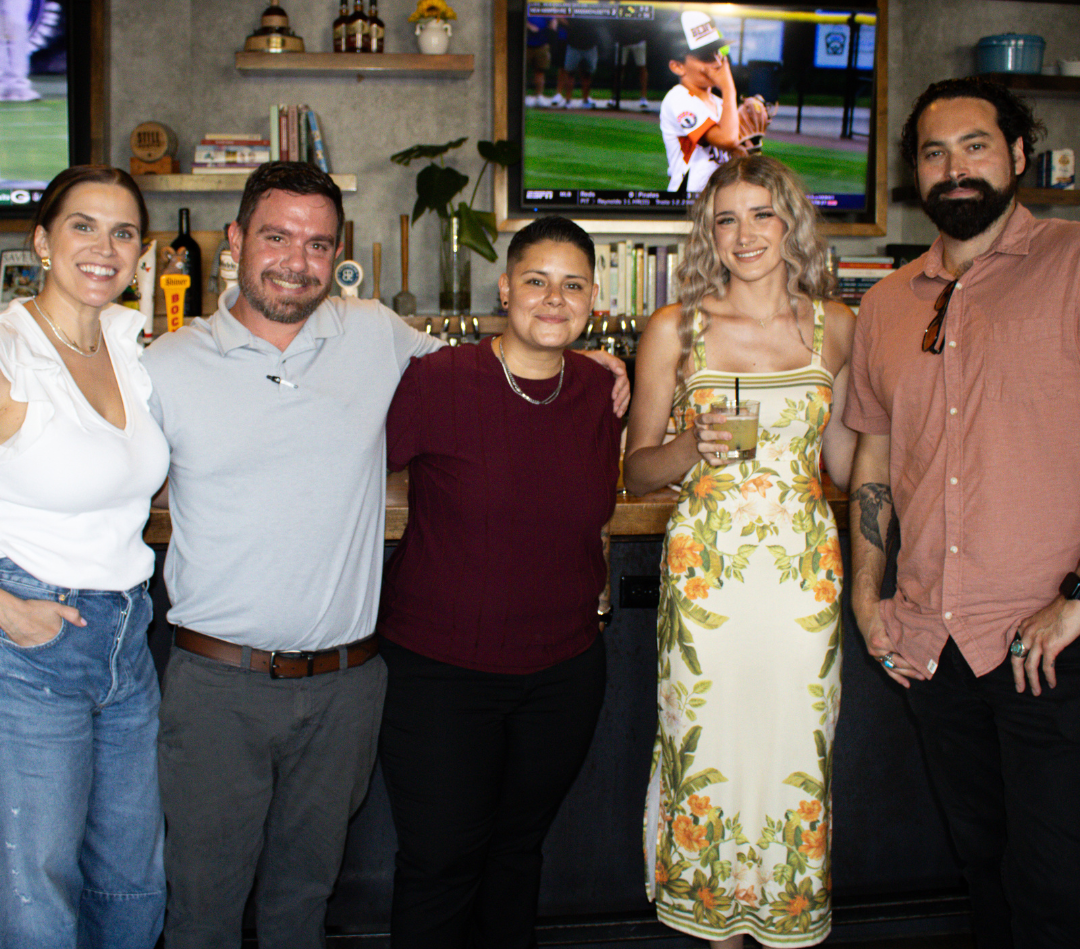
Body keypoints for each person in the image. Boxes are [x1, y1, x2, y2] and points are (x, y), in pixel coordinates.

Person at [143, 163, 628, 949]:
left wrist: (598, 362)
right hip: (218, 680)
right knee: (202, 910)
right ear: (234, 241)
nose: (297, 260)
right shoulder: (166, 363)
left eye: (318, 243)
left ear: (338, 253)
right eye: (276, 237)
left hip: (345, 681)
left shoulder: (373, 332)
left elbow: (502, 364)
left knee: (304, 904)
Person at [844, 76, 1080, 949]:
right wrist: (866, 593)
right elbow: (873, 455)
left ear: (1017, 155)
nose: (955, 168)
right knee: (985, 873)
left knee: (1058, 891)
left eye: (975, 146)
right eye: (935, 153)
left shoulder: (1073, 262)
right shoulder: (886, 303)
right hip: (934, 646)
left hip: (1051, 644)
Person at [625, 155, 857, 948]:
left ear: (792, 222)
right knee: (710, 759)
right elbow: (637, 469)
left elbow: (848, 460)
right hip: (709, 588)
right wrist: (689, 445)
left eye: (762, 214)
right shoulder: (675, 327)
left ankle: (787, 921)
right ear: (709, 234)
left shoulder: (838, 326)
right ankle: (713, 928)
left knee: (796, 758)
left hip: (803, 586)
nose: (745, 233)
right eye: (727, 218)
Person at [377, 215, 622, 949]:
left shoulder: (599, 390)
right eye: (537, 281)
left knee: (517, 856)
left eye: (572, 285)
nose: (554, 299)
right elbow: (351, 468)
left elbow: (593, 511)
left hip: (563, 671)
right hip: (441, 671)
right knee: (440, 864)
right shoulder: (439, 380)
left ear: (594, 299)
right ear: (505, 288)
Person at [0, 165, 169, 949]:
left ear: (141, 254)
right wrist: (7, 612)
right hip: (33, 644)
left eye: (123, 232)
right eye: (82, 226)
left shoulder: (129, 343)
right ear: (41, 241)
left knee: (132, 881)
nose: (105, 247)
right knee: (38, 891)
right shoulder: (12, 352)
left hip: (127, 641)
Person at [659, 11, 740, 194]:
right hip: (687, 202)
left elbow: (739, 156)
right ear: (677, 66)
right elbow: (727, 139)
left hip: (715, 200)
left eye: (717, 53)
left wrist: (753, 145)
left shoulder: (720, 103)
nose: (717, 63)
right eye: (706, 57)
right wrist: (729, 89)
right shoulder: (678, 98)